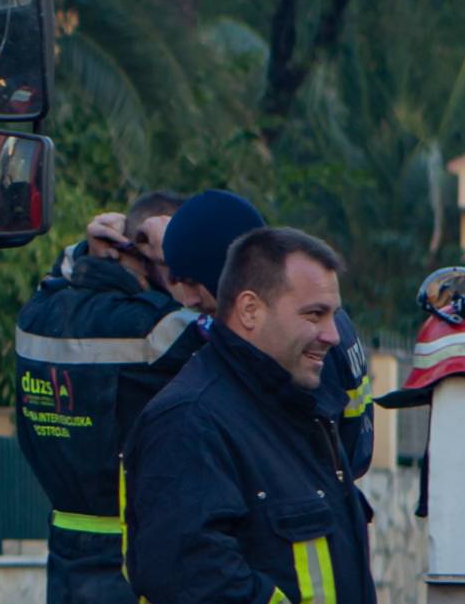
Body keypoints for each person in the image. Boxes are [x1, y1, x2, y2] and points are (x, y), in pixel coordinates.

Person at [122, 227, 377, 604]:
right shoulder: (191, 419)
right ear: (249, 310)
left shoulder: (299, 408)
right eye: (314, 314)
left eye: (334, 316)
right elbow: (194, 575)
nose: (332, 335)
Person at [12, 189, 197, 604]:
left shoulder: (37, 317)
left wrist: (82, 252)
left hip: (65, 570)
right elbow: (242, 326)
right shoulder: (161, 331)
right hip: (130, 568)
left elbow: (55, 281)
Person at [161, 190, 377, 480]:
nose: (187, 299)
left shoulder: (294, 346)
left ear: (225, 274)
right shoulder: (328, 320)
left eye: (192, 283)